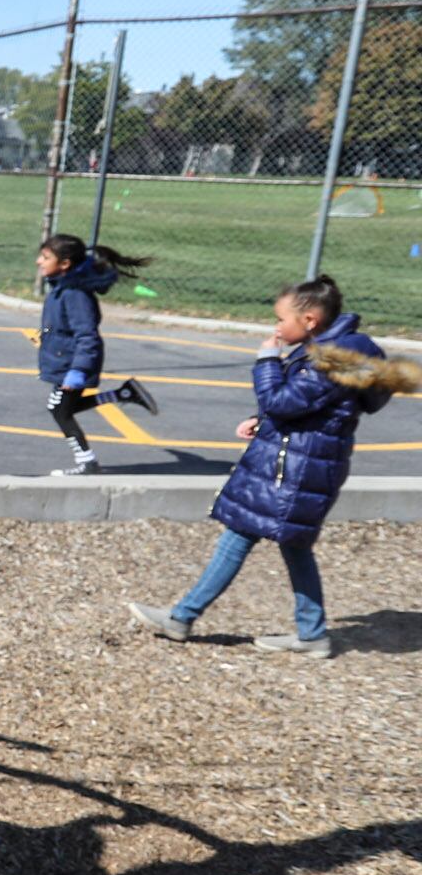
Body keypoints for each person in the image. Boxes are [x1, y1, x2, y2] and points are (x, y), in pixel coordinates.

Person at [127, 275, 399, 657]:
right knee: (283, 542)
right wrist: (264, 420)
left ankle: (184, 618)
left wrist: (267, 361)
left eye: (280, 319)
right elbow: (302, 406)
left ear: (309, 320)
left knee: (250, 536)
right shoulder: (326, 351)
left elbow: (285, 403)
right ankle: (308, 633)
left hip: (297, 470)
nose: (275, 327)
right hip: (299, 463)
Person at [34, 234, 158, 477]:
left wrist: (78, 371)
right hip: (64, 358)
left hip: (72, 363)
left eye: (45, 257)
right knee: (60, 407)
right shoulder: (62, 287)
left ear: (65, 264)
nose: (39, 261)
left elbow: (87, 335)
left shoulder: (74, 294)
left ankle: (87, 462)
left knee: (60, 410)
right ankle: (123, 393)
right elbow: (63, 326)